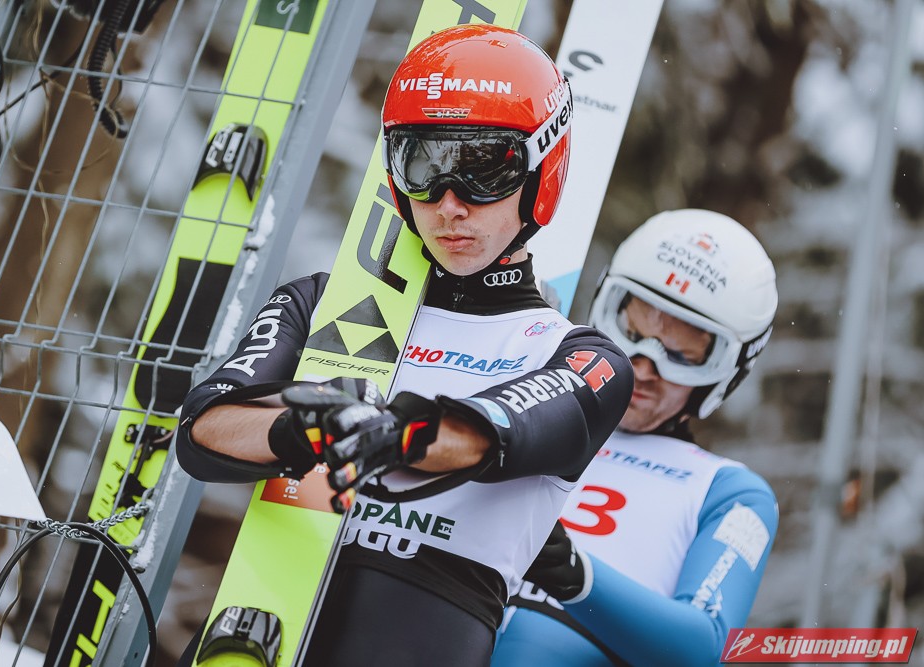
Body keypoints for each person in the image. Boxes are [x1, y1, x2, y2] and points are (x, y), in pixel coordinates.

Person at [175, 24, 633, 667]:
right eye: (424, 167)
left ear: (541, 172)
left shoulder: (584, 358)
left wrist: (394, 433)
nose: (450, 205)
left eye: (484, 171)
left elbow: (490, 433)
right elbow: (203, 429)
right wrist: (303, 429)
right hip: (261, 626)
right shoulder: (319, 301)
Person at [491, 209, 780, 667]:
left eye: (680, 354)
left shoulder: (729, 491)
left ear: (726, 371)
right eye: (632, 332)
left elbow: (704, 646)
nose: (643, 366)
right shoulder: (523, 405)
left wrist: (571, 573)